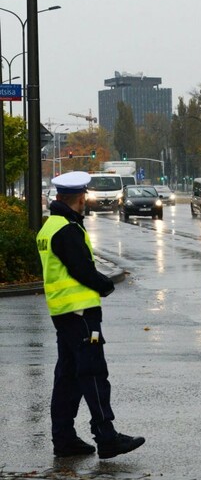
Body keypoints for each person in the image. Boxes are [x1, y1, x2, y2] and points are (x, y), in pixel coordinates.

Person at [36, 171, 145, 459]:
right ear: (81, 198)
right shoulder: (67, 230)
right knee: (93, 373)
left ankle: (64, 438)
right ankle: (106, 437)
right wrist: (105, 285)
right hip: (81, 312)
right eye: (84, 196)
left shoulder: (50, 226)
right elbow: (81, 270)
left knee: (68, 377)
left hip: (62, 311)